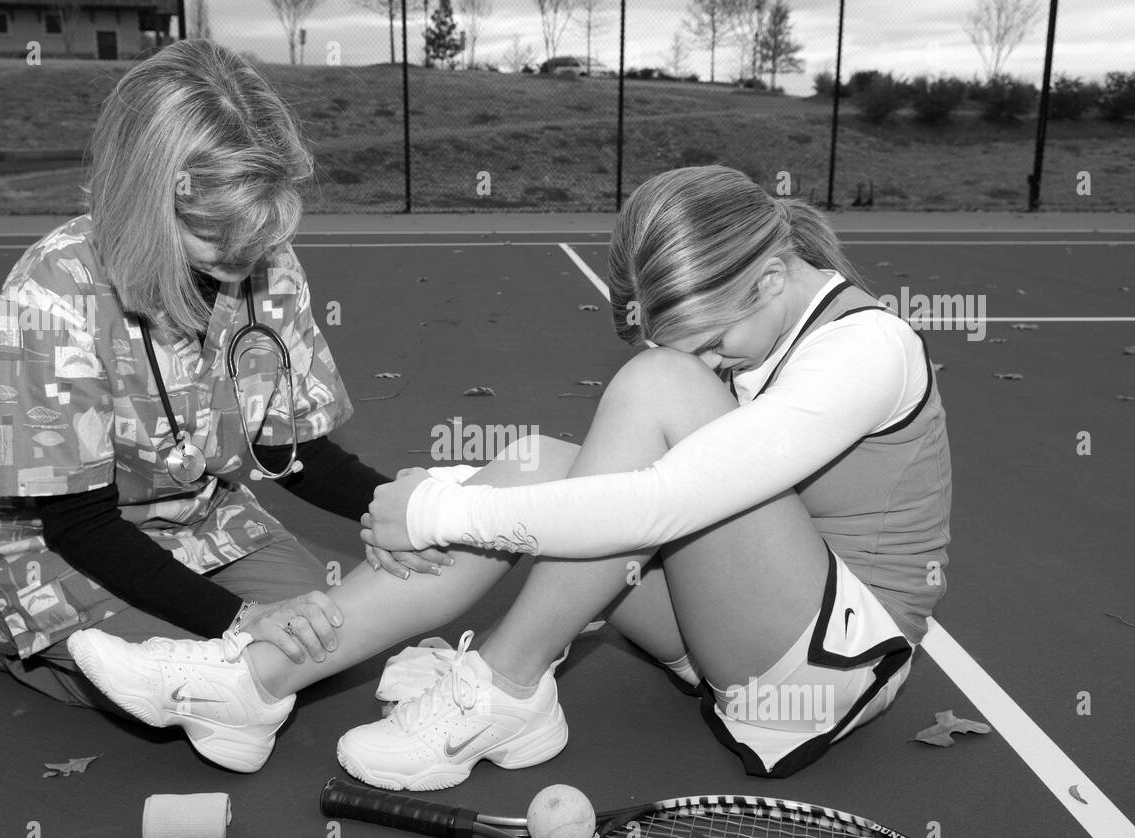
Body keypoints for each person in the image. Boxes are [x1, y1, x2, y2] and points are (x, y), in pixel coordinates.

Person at [69, 165, 952, 787]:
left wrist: (443, 507)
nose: (714, 360)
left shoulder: (868, 346)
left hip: (833, 668)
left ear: (767, 281)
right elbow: (633, 502)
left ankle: (505, 685)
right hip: (740, 622)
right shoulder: (756, 312)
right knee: (535, 461)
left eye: (715, 341)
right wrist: (460, 500)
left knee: (654, 390)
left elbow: (664, 501)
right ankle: (254, 682)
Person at [0, 40, 438, 772]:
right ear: (143, 198)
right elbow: (78, 521)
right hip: (48, 536)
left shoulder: (263, 259)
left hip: (192, 514)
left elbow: (287, 451)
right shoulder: (48, 296)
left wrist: (400, 506)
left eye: (260, 230)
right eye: (214, 233)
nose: (243, 257)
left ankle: (121, 636)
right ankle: (2, 633)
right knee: (198, 670)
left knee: (322, 631)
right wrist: (238, 619)